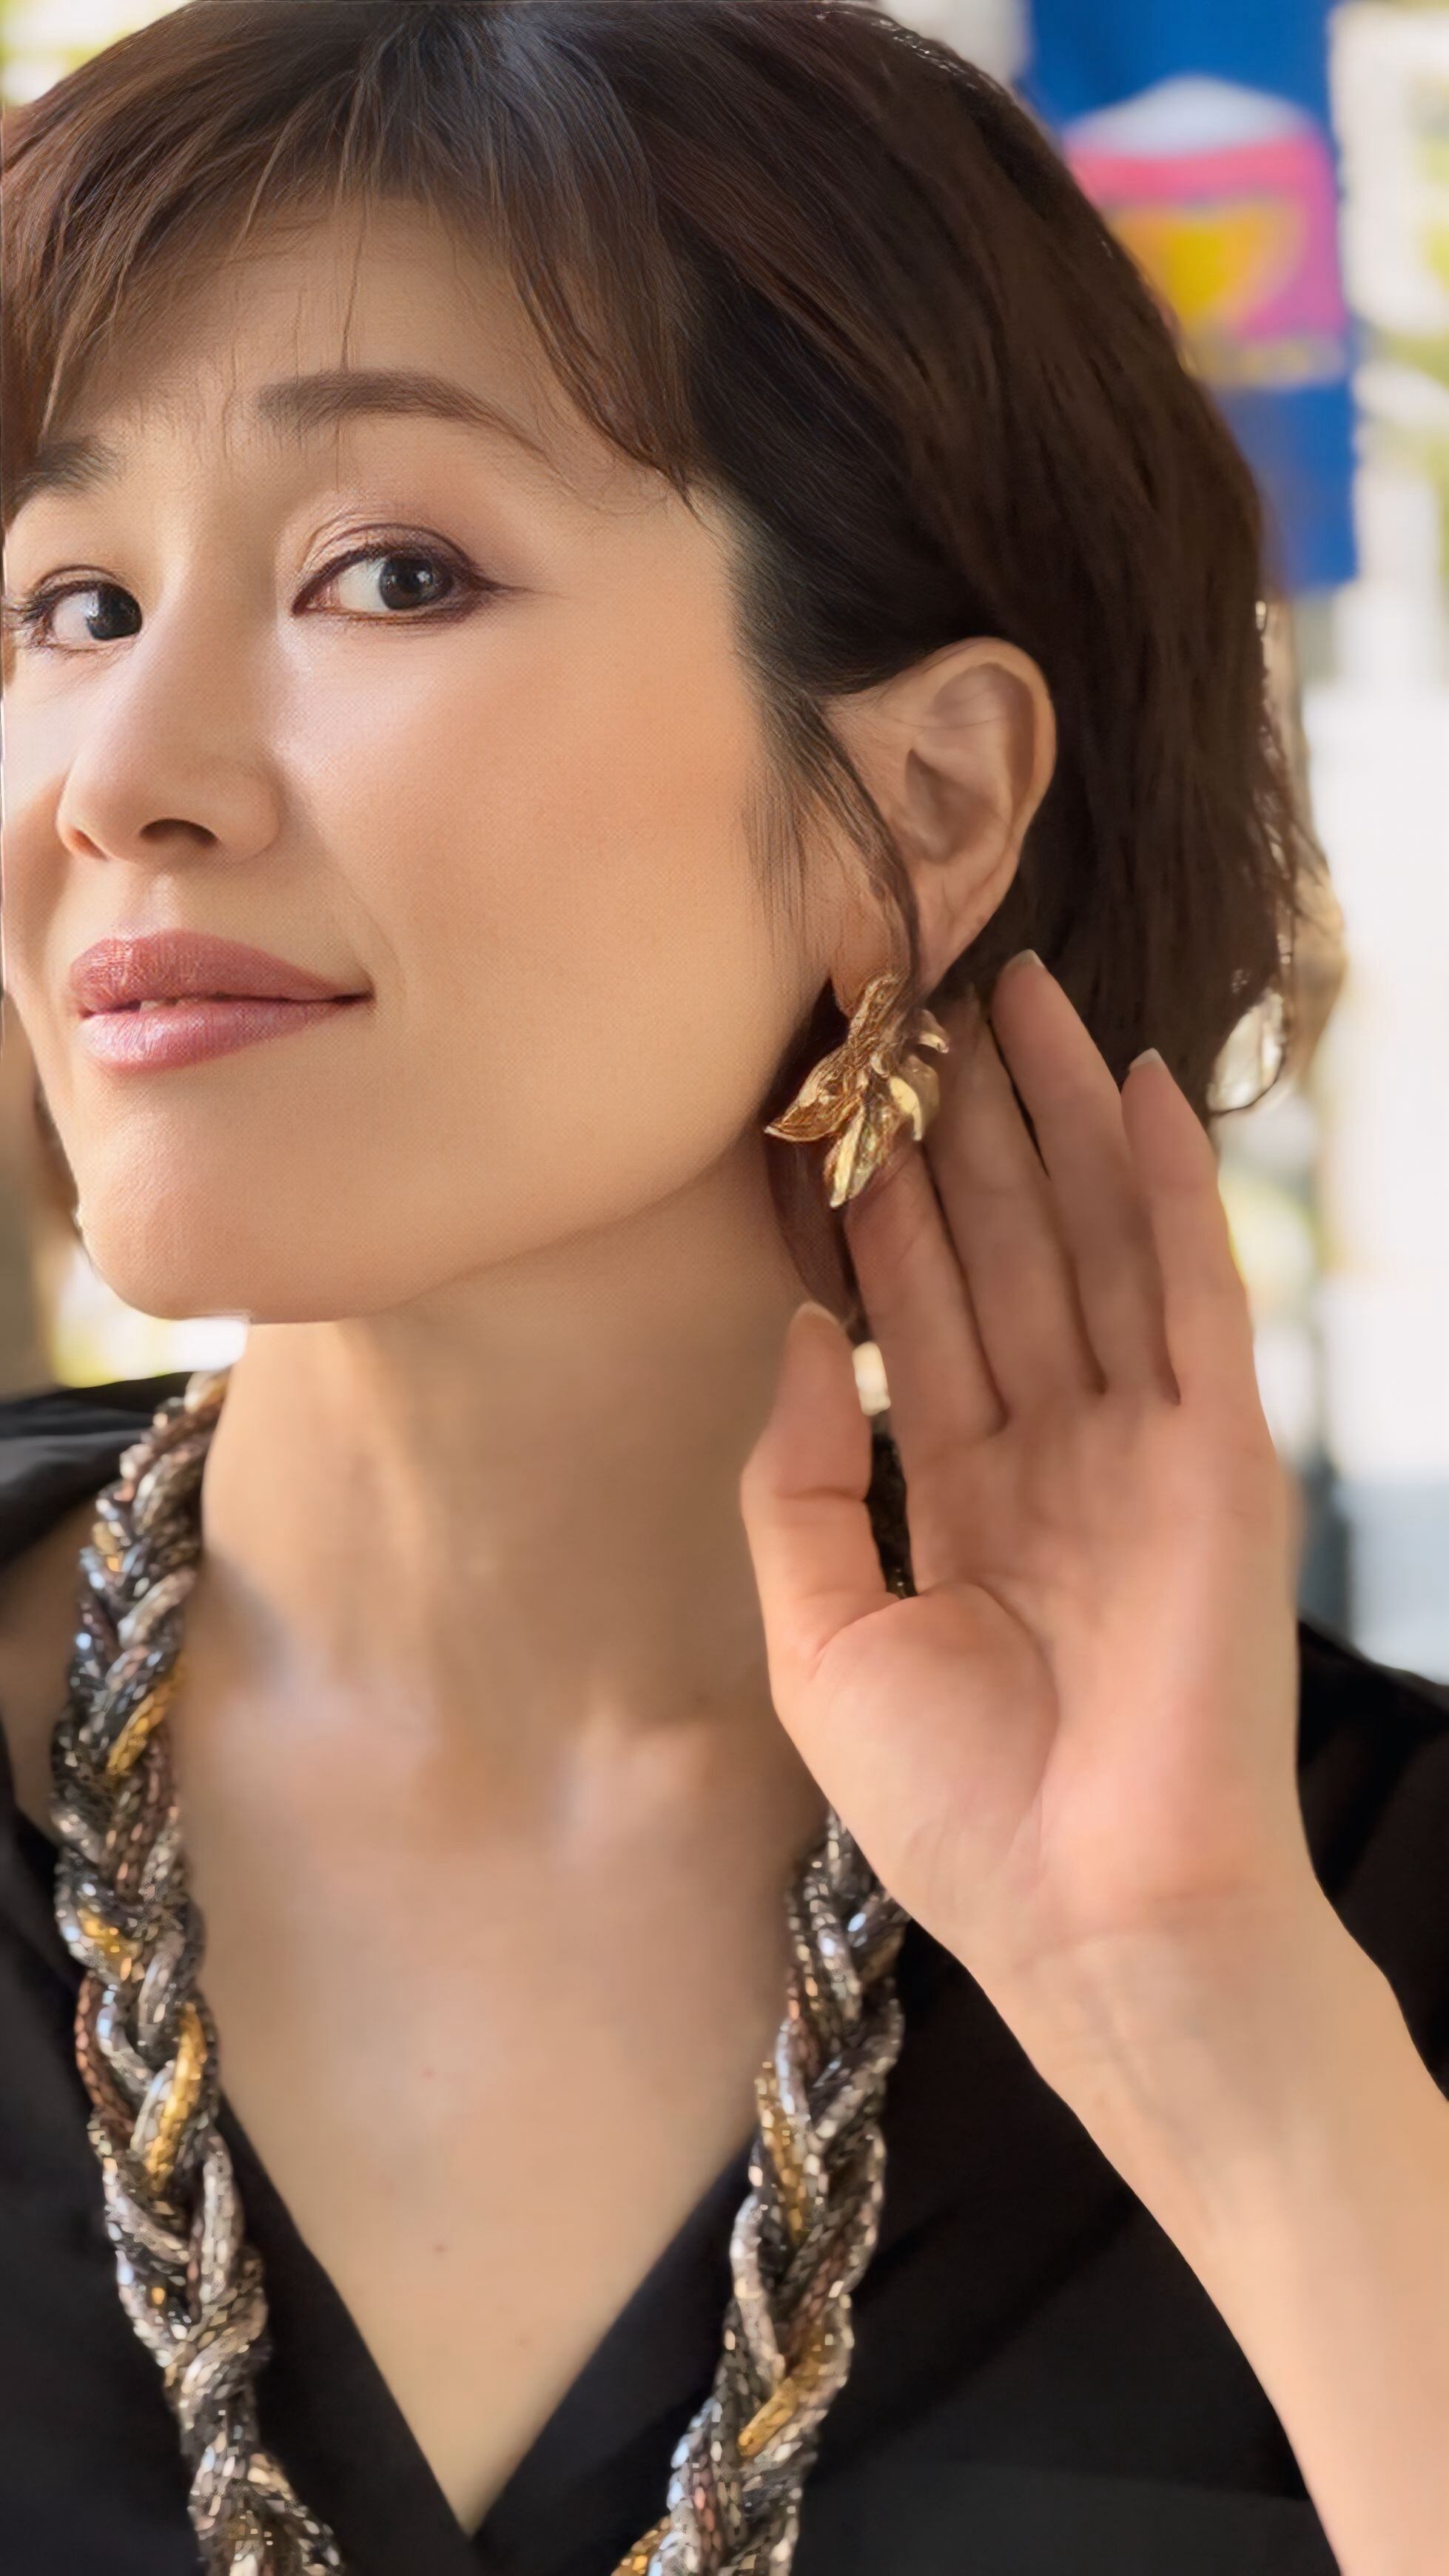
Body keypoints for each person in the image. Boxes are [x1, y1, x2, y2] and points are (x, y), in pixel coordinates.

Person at [1, 6, 1446, 2574]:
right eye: (70, 600)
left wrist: (1203, 2008)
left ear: (924, 800)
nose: (122, 771)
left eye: (391, 572)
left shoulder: (1353, 1914)